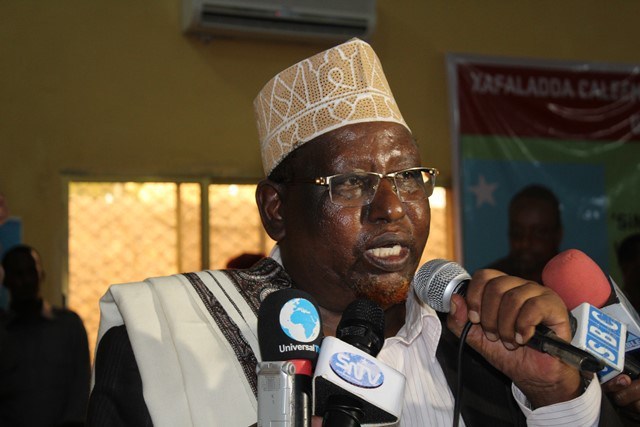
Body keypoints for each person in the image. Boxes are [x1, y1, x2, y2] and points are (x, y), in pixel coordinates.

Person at [87, 38, 623, 426]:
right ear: (276, 209)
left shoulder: (486, 347)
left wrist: (554, 397)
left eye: (408, 178)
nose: (391, 208)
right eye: (349, 183)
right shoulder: (168, 337)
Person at [0, 244, 91, 426]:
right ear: (6, 280)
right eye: (18, 274)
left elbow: (81, 385)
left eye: (31, 272)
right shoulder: (2, 332)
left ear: (41, 275)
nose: (26, 280)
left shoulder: (69, 326)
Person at [486, 184, 563, 284]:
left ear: (558, 235)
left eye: (539, 233)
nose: (525, 243)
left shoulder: (571, 283)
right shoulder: (490, 282)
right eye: (517, 232)